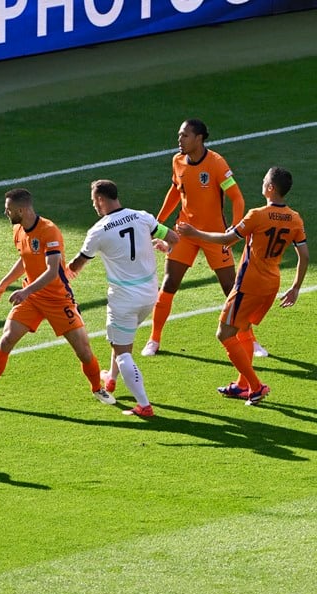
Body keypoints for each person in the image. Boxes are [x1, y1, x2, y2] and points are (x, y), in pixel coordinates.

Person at [0, 188, 115, 412]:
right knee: (6, 340)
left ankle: (97, 388)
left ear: (21, 209)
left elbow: (53, 271)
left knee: (83, 350)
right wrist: (4, 283)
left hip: (58, 299)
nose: (5, 213)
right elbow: (25, 259)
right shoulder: (18, 229)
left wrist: (24, 292)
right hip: (33, 298)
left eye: (8, 210)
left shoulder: (49, 231)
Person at [175, 166, 308, 406]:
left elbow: (228, 239)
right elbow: (304, 255)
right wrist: (296, 287)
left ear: (269, 188)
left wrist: (194, 233)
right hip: (271, 284)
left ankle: (256, 387)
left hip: (249, 284)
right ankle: (242, 385)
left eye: (264, 180)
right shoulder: (295, 218)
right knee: (243, 329)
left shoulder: (257, 215)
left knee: (224, 333)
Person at [142, 119, 269, 358]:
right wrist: (158, 221)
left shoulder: (216, 164)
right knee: (169, 283)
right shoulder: (177, 161)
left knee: (230, 289)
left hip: (214, 236)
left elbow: (237, 198)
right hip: (185, 234)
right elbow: (175, 191)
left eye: (184, 136)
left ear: (199, 138)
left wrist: (234, 231)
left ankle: (251, 341)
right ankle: (154, 339)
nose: (179, 140)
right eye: (179, 135)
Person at [67, 180, 180, 417]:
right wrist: (165, 247)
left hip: (123, 299)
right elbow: (174, 238)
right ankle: (110, 379)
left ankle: (144, 405)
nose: (94, 206)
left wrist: (61, 273)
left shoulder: (98, 230)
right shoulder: (142, 217)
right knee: (121, 338)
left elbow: (77, 265)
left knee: (122, 351)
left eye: (93, 201)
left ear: (100, 200)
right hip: (149, 296)